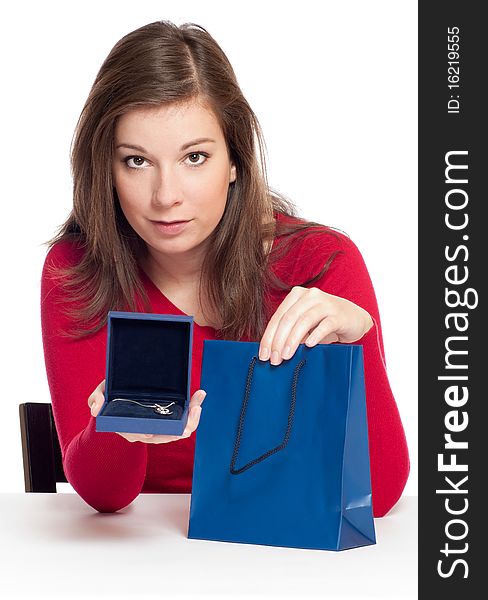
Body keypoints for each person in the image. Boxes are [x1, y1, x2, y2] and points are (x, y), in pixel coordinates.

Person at [41, 20, 409, 517]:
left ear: (235, 160)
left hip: (282, 561)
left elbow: (378, 494)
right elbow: (106, 497)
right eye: (136, 161)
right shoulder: (75, 272)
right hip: (140, 565)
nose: (166, 196)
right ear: (104, 167)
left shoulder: (322, 264)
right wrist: (118, 427)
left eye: (195, 157)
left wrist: (357, 340)